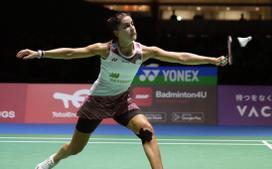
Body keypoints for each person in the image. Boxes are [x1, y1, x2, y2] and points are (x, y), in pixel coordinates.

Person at [16, 12, 228, 169]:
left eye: (133, 24)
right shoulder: (106, 49)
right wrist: (40, 53)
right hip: (96, 101)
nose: (132, 28)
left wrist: (211, 60)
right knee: (75, 148)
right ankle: (53, 160)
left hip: (121, 101)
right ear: (116, 32)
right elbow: (72, 53)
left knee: (147, 132)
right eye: (126, 26)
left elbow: (180, 57)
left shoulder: (143, 52)